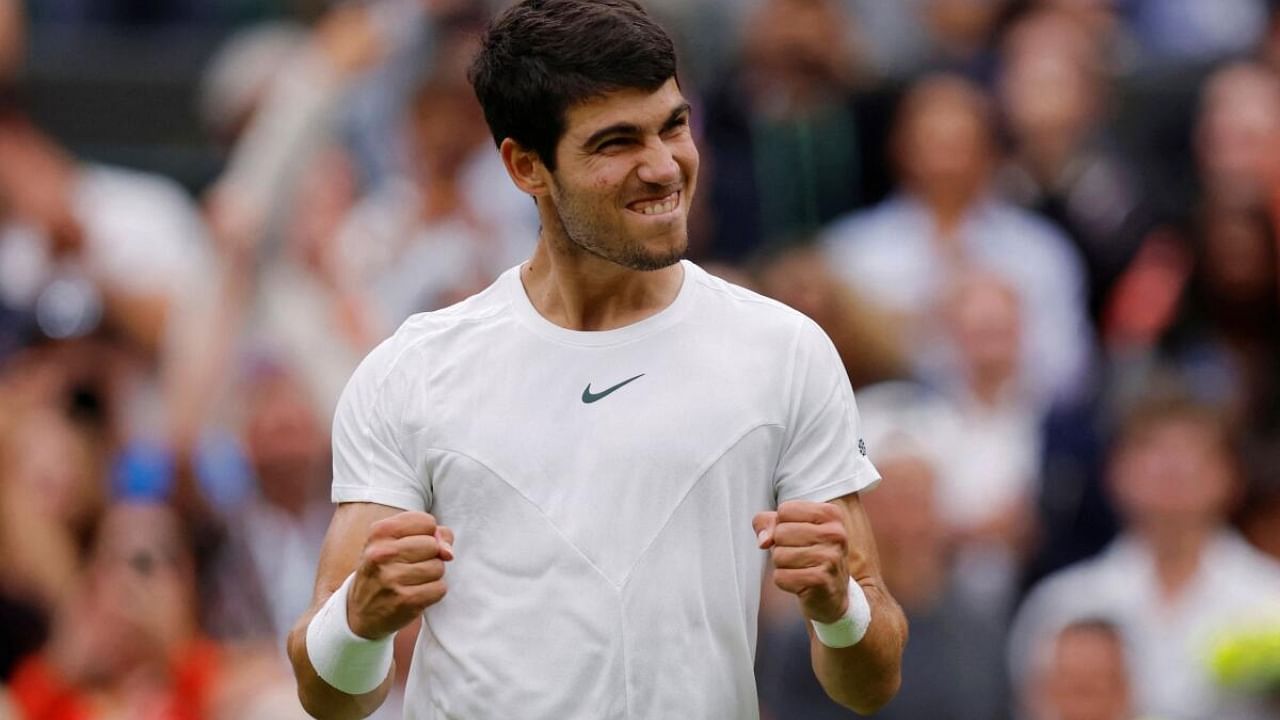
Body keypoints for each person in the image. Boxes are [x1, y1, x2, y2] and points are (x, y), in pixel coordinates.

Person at [287, 1, 907, 718]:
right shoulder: (413, 370)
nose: (663, 166)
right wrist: (359, 619)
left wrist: (839, 609)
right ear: (527, 167)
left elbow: (872, 682)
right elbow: (328, 697)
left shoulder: (786, 351)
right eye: (616, 143)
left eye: (673, 125)